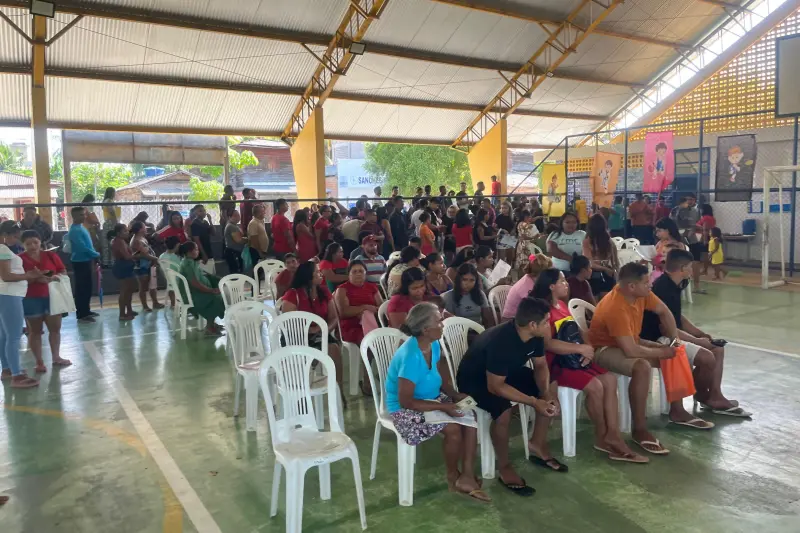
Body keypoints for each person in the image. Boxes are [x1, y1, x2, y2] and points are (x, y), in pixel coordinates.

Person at [532, 269, 646, 463]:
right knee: (596, 386)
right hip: (556, 364)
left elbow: (576, 330)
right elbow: (547, 344)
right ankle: (602, 434)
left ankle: (612, 434)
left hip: (574, 358)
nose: (566, 284)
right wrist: (579, 350)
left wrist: (588, 349)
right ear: (551, 286)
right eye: (562, 281)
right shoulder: (543, 310)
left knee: (609, 380)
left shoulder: (561, 305)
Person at [588, 263, 697, 455]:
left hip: (629, 341)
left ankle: (677, 410)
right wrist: (662, 352)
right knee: (642, 366)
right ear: (631, 286)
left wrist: (674, 341)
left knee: (675, 355)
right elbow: (630, 351)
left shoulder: (641, 295)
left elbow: (664, 312)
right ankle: (639, 429)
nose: (651, 285)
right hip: (604, 349)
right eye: (647, 282)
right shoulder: (616, 306)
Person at [457, 297, 563, 493]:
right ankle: (504, 466)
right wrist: (533, 401)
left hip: (505, 373)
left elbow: (540, 365)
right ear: (532, 324)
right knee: (504, 412)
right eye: (546, 321)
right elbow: (496, 387)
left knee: (548, 388)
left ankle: (537, 444)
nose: (549, 325)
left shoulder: (536, 336)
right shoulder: (501, 341)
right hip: (475, 381)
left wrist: (545, 393)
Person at [385, 303, 489, 501]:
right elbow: (406, 401)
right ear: (426, 329)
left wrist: (453, 394)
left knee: (470, 414)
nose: (443, 324)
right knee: (452, 429)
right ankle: (452, 476)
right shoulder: (410, 356)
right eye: (439, 321)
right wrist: (446, 407)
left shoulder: (433, 343)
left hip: (432, 398)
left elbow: (440, 374)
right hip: (405, 409)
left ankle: (466, 474)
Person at [641, 249, 747, 416]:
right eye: (690, 267)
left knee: (717, 349)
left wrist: (700, 334)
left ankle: (714, 395)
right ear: (683, 268)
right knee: (707, 357)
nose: (692, 270)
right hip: (659, 339)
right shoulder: (664, 289)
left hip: (669, 334)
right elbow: (669, 330)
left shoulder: (673, 284)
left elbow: (678, 318)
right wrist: (699, 342)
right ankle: (702, 395)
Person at [281, 261, 345, 399]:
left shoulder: (324, 291)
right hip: (296, 335)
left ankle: (338, 390)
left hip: (319, 333)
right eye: (317, 272)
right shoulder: (293, 295)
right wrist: (309, 331)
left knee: (334, 348)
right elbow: (287, 323)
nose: (320, 274)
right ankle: (303, 388)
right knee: (310, 353)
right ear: (307, 276)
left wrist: (323, 329)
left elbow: (334, 317)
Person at [18, 229, 71, 372]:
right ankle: (39, 362)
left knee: (55, 329)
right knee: (35, 331)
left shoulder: (50, 255)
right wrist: (35, 278)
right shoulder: (19, 259)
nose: (33, 246)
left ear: (40, 242)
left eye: (35, 242)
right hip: (31, 299)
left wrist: (53, 277)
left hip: (53, 297)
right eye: (28, 244)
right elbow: (17, 281)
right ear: (23, 244)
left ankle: (56, 357)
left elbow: (62, 271)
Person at [0, 221, 43, 388]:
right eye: (15, 236)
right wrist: (28, 275)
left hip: (5, 294)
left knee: (4, 336)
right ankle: (17, 376)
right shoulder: (3, 250)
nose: (17, 240)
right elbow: (7, 276)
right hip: (9, 295)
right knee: (14, 336)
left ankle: (8, 369)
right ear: (6, 234)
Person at [334, 261, 382, 376]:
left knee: (384, 340)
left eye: (361, 271)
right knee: (369, 341)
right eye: (354, 271)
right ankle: (367, 380)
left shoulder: (372, 287)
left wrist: (370, 312)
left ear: (365, 273)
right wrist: (364, 308)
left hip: (371, 324)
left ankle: (383, 373)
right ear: (349, 274)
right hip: (351, 326)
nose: (358, 274)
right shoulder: (342, 289)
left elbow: (380, 307)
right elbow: (344, 312)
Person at [178, 241, 224, 335]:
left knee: (217, 292)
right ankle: (209, 326)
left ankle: (211, 323)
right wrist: (211, 290)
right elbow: (195, 283)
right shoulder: (188, 264)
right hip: (192, 295)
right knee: (216, 298)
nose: (198, 251)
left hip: (196, 292)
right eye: (196, 249)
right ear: (190, 252)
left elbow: (202, 274)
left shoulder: (190, 261)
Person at [68, 206, 100, 322]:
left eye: (84, 214)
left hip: (86, 260)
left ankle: (86, 310)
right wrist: (95, 254)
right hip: (80, 261)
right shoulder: (74, 231)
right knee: (82, 288)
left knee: (87, 287)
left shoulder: (81, 227)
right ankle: (81, 314)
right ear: (75, 216)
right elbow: (82, 247)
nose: (84, 217)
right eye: (81, 215)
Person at [502, 254, 552, 321]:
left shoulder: (534, 280)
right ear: (541, 273)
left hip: (526, 316)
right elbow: (537, 309)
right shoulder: (526, 286)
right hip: (512, 322)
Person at [673, 194, 704, 293]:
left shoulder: (695, 211)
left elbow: (695, 224)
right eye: (687, 200)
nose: (689, 202)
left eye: (691, 200)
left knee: (696, 261)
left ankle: (697, 287)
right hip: (679, 240)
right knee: (679, 262)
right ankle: (677, 285)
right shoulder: (675, 211)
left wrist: (692, 230)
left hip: (692, 239)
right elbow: (673, 225)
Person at [582, 213, 618, 298]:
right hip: (608, 273)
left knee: (595, 303)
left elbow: (590, 263)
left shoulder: (586, 242)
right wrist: (607, 269)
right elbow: (615, 261)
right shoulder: (609, 241)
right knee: (607, 302)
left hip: (593, 275)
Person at [130, 221, 163, 312]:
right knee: (143, 287)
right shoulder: (136, 240)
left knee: (153, 285)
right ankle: (145, 306)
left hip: (148, 265)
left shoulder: (141, 238)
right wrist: (156, 259)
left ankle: (155, 302)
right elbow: (145, 255)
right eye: (144, 227)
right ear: (140, 229)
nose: (146, 228)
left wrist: (154, 259)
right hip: (141, 267)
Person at [109, 224, 138, 320]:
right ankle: (122, 314)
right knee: (124, 291)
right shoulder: (119, 242)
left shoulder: (121, 241)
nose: (127, 233)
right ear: (118, 233)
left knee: (129, 290)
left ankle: (129, 310)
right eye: (124, 231)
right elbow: (126, 257)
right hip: (122, 267)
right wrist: (139, 255)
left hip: (126, 266)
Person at [514, 210, 540, 274]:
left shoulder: (520, 224)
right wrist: (533, 237)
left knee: (522, 263)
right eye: (529, 217)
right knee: (525, 264)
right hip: (525, 245)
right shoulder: (525, 225)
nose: (530, 218)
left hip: (523, 245)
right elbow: (524, 237)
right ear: (525, 217)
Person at [158, 235, 182, 308]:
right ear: (177, 245)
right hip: (179, 280)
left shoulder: (161, 256)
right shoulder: (175, 258)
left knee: (171, 286)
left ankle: (173, 304)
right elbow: (181, 269)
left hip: (168, 279)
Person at [697, 204, 716, 275]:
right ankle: (705, 270)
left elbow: (705, 229)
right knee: (706, 255)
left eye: (701, 209)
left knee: (705, 255)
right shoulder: (712, 218)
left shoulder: (706, 218)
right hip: (708, 237)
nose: (700, 210)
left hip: (705, 237)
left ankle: (705, 270)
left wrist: (705, 240)